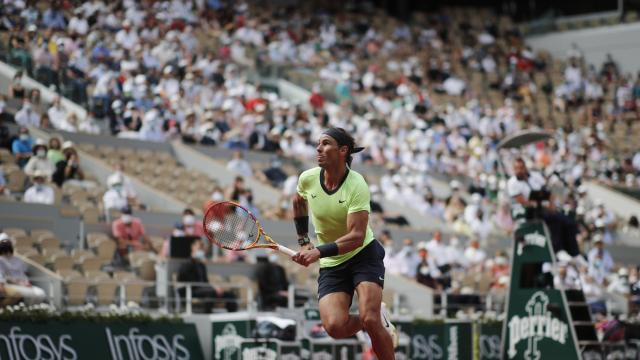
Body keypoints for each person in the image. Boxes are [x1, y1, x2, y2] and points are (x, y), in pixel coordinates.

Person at [292, 127, 398, 359]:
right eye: (318, 143)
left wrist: (317, 252)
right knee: (335, 327)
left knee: (369, 318)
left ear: (343, 150)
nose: (318, 148)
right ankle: (377, 320)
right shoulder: (307, 179)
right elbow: (299, 202)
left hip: (363, 255)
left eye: (326, 143)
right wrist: (303, 241)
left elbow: (356, 236)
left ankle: (374, 321)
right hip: (332, 261)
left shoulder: (357, 185)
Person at [507, 158, 580, 256]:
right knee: (554, 220)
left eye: (521, 168)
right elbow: (523, 201)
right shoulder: (512, 183)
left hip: (544, 208)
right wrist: (540, 205)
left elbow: (548, 192)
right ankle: (557, 251)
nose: (519, 170)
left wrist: (551, 204)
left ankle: (573, 252)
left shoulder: (535, 176)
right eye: (517, 168)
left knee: (569, 222)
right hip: (529, 212)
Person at [177, 238, 238, 313]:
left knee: (230, 295)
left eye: (202, 248)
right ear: (192, 247)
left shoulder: (201, 265)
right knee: (211, 292)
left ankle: (231, 316)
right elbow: (184, 280)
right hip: (192, 290)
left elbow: (205, 282)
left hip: (203, 289)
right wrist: (212, 289)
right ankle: (208, 314)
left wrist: (216, 288)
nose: (201, 250)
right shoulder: (187, 264)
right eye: (199, 248)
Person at [0, 235, 47, 305]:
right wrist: (19, 283)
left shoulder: (18, 259)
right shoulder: (0, 260)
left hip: (24, 284)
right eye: (3, 244)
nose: (6, 246)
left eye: (8, 243)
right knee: (29, 294)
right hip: (11, 285)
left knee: (41, 293)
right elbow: (4, 278)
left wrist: (26, 283)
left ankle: (35, 311)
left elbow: (24, 273)